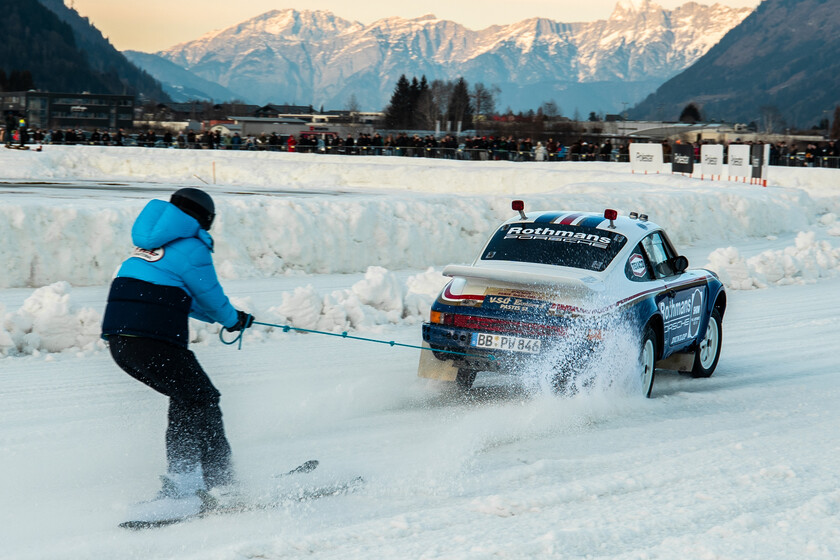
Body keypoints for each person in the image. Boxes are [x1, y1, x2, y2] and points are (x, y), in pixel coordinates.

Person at [102, 187, 254, 501]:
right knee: (204, 398)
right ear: (205, 217)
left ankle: (182, 479)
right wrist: (232, 320)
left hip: (122, 342)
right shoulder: (191, 246)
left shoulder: (148, 246)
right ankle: (221, 484)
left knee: (187, 398)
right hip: (153, 340)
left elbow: (178, 296)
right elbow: (210, 295)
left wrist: (224, 318)